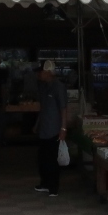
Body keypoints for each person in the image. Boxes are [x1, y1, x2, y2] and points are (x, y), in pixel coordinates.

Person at [31, 59, 68, 196]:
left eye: (41, 71)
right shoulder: (43, 86)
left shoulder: (58, 87)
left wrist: (63, 128)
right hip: (44, 128)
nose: (39, 74)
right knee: (43, 158)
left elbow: (63, 109)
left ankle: (53, 187)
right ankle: (45, 183)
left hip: (54, 129)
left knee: (52, 159)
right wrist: (37, 124)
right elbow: (43, 108)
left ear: (47, 72)